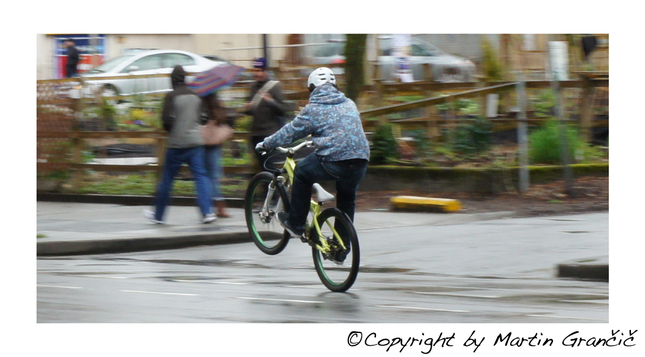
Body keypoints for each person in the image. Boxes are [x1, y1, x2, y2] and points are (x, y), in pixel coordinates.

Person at [255, 67, 370, 262]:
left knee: (301, 171)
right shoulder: (349, 103)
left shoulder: (313, 109)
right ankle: (341, 249)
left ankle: (296, 223)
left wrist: (266, 144)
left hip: (334, 159)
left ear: (312, 88)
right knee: (347, 200)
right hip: (360, 160)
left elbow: (289, 132)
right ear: (334, 86)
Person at [143, 65, 216, 224]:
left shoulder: (171, 96)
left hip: (176, 144)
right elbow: (204, 118)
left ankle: (158, 215)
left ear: (172, 80)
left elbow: (166, 121)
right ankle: (207, 212)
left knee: (167, 179)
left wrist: (173, 130)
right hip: (195, 143)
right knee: (201, 176)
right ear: (185, 79)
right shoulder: (196, 96)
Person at [242, 57, 288, 172]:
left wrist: (271, 102)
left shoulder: (274, 87)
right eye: (255, 70)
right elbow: (250, 111)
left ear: (266, 71)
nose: (257, 73)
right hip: (255, 134)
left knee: (269, 166)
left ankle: (274, 188)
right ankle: (264, 188)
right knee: (260, 167)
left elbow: (283, 110)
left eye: (260, 70)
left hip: (269, 134)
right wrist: (247, 108)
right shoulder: (253, 88)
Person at [203, 92, 231, 218]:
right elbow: (222, 119)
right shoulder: (215, 103)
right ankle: (219, 208)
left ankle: (207, 207)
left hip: (201, 143)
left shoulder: (200, 103)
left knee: (205, 176)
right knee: (213, 177)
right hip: (213, 144)